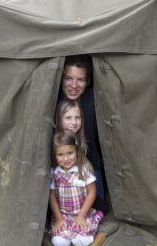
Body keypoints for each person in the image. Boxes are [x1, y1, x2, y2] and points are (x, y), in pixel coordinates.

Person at [58, 54, 108, 215]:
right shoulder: (53, 101)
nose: (73, 85)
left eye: (80, 80)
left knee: (97, 209)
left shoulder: (94, 100)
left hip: (90, 167)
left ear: (88, 81)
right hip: (61, 168)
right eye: (68, 78)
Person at [49, 130, 104, 246]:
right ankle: (67, 231)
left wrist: (81, 216)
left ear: (76, 151)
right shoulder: (54, 172)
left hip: (83, 212)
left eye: (70, 153)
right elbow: (52, 196)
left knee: (81, 242)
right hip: (64, 215)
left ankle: (98, 217)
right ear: (55, 155)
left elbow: (92, 192)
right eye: (60, 155)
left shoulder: (83, 169)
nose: (66, 158)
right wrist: (59, 218)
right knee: (60, 243)